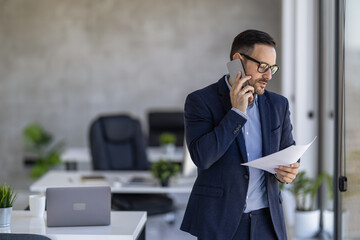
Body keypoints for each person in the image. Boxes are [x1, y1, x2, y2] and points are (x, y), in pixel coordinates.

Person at [180, 29, 300, 240]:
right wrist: (236, 113)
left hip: (267, 222)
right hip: (220, 223)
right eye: (263, 67)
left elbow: (288, 152)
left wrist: (289, 171)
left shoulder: (278, 105)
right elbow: (202, 158)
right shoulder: (200, 101)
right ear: (238, 61)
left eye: (272, 68)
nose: (268, 76)